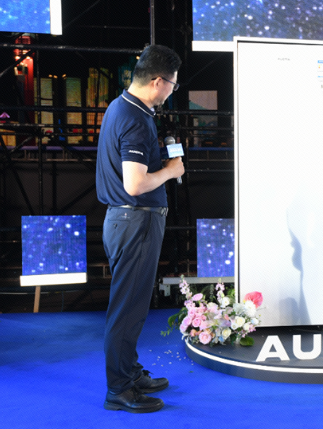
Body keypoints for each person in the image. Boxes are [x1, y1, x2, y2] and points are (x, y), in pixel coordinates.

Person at [96, 44, 184, 412]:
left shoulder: (122, 107)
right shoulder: (133, 118)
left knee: (131, 306)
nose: (172, 92)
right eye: (173, 85)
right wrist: (170, 171)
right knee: (127, 309)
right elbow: (134, 184)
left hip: (128, 221)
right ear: (159, 81)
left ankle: (128, 373)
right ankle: (119, 389)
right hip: (135, 221)